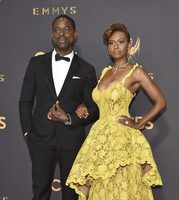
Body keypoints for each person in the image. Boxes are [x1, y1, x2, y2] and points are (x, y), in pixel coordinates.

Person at [66, 23, 167, 200]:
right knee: (100, 189)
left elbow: (160, 102)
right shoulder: (105, 72)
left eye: (121, 42)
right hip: (99, 139)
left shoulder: (136, 72)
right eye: (111, 43)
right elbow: (99, 101)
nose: (116, 46)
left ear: (129, 45)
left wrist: (138, 123)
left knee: (122, 189)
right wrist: (81, 105)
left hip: (122, 141)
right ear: (108, 48)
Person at [19, 14, 98, 200]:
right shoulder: (36, 63)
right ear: (52, 34)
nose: (61, 33)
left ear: (75, 34)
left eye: (66, 29)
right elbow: (25, 101)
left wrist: (70, 118)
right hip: (40, 138)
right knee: (40, 192)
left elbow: (94, 108)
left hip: (71, 139)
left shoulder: (86, 69)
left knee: (70, 195)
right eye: (56, 29)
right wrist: (27, 133)